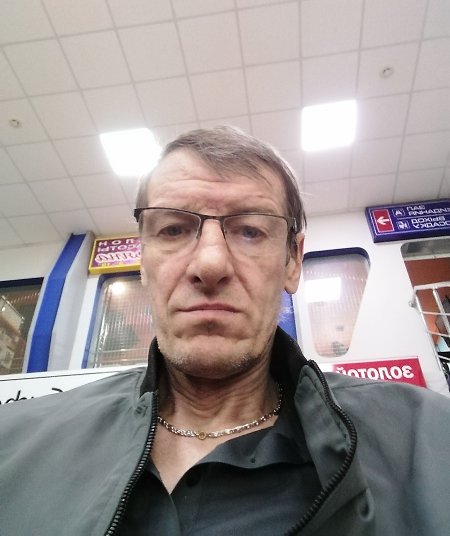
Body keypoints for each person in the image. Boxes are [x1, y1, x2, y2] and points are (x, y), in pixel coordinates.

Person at [1, 126, 450, 536]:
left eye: (250, 231)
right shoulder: (14, 444)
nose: (210, 263)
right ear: (144, 261)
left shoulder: (428, 442)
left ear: (293, 262)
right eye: (173, 229)